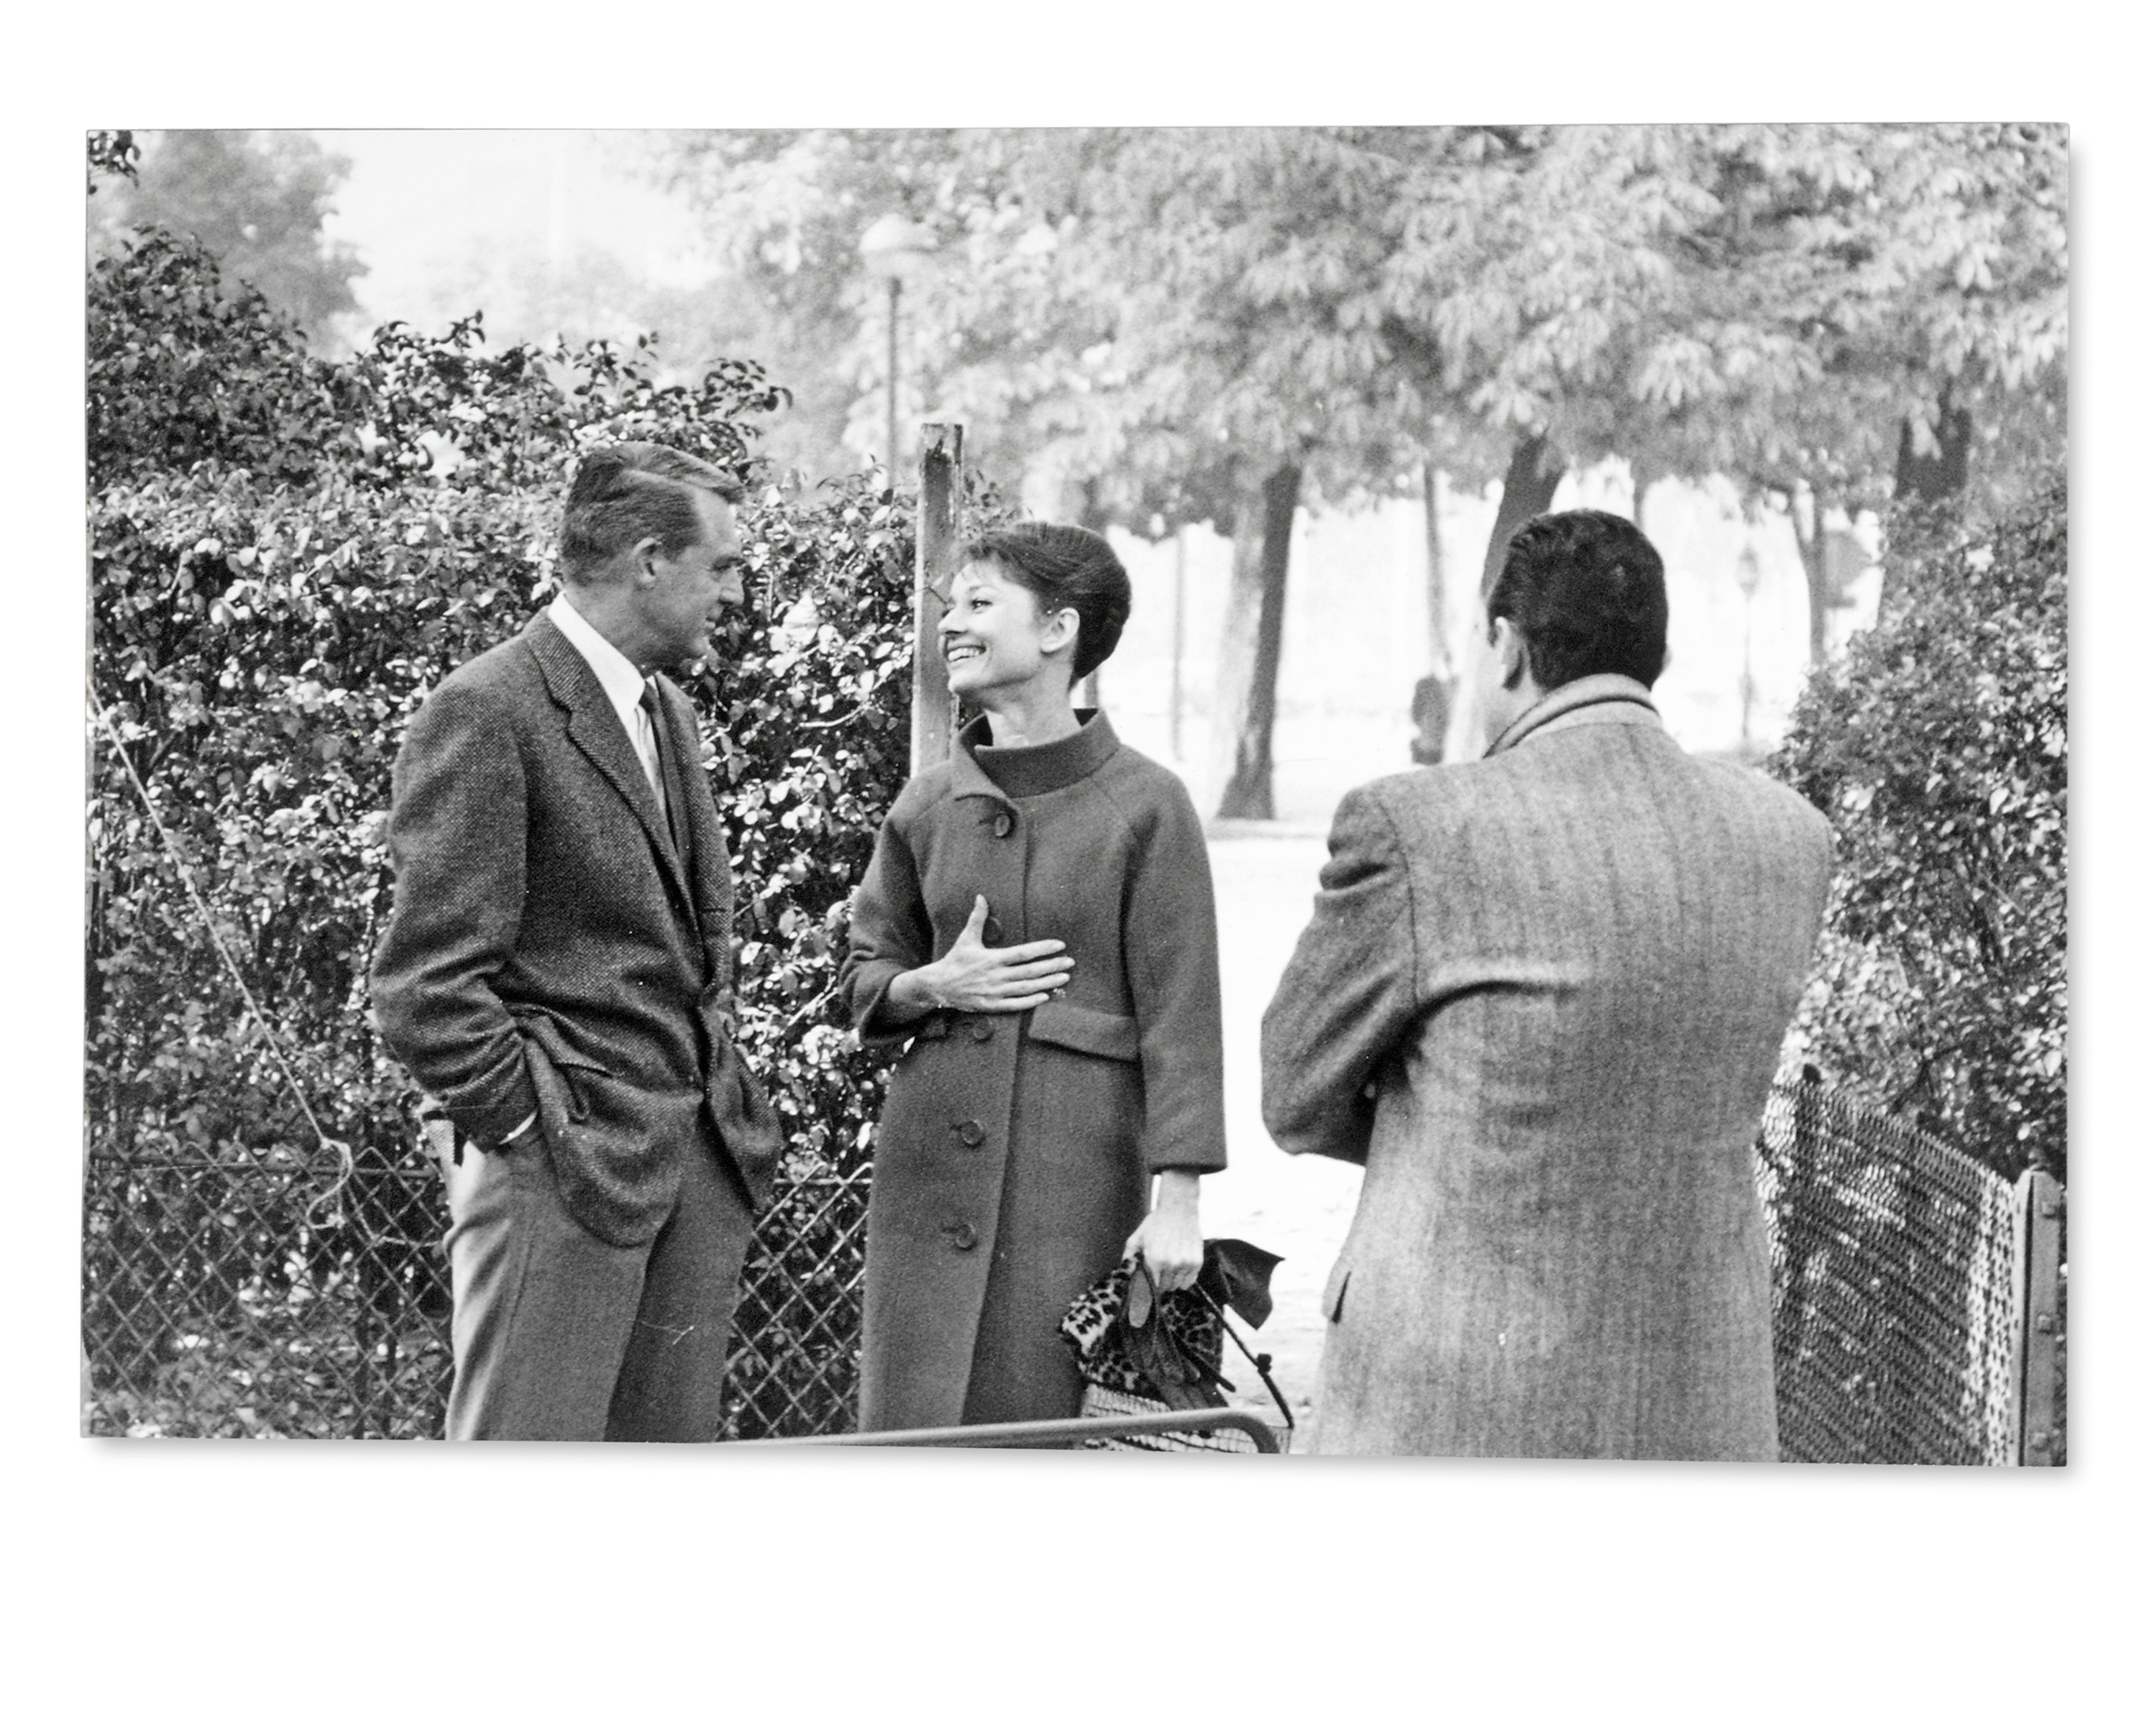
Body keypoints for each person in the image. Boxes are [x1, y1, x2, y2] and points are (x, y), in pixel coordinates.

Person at [1261, 509, 1833, 1460]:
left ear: (1506, 646)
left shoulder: (1419, 828)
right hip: (1702, 1394)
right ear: (1655, 656)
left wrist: (1464, 1131)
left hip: (1454, 1401)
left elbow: (1295, 1092)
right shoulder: (1791, 836)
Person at [370, 442, 782, 1441]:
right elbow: (425, 985)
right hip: (561, 1171)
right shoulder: (487, 708)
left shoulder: (663, 709)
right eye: (723, 566)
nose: (735, 592)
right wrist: (531, 1133)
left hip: (685, 1163)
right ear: (650, 562)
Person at [839, 523, 1227, 1433]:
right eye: (950, 607)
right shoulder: (927, 804)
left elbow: (1184, 1014)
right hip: (928, 1173)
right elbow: (866, 974)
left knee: (1047, 1426)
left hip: (1073, 1178)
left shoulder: (1147, 805)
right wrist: (932, 986)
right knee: (915, 1438)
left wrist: (1179, 1196)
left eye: (979, 604)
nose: (949, 624)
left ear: (1059, 629)